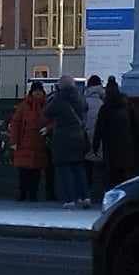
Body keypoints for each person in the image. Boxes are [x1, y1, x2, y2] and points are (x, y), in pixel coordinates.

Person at [44, 77, 93, 207]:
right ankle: (85, 197)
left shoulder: (59, 98)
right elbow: (85, 108)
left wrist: (55, 94)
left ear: (60, 86)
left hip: (63, 138)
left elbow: (47, 111)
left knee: (64, 170)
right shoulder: (80, 98)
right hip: (79, 137)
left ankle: (69, 199)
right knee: (79, 168)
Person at [95, 77, 139, 191]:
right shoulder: (127, 106)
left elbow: (99, 128)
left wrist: (95, 144)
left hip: (110, 145)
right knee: (124, 173)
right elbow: (135, 125)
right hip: (127, 144)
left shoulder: (105, 108)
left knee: (111, 174)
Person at [8, 82, 48, 201]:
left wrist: (14, 141)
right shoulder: (41, 105)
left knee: (33, 171)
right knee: (26, 171)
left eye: (39, 91)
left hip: (34, 143)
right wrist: (14, 141)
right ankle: (27, 194)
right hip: (28, 142)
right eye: (36, 91)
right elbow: (16, 123)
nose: (38, 93)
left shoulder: (25, 105)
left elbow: (15, 123)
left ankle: (29, 194)